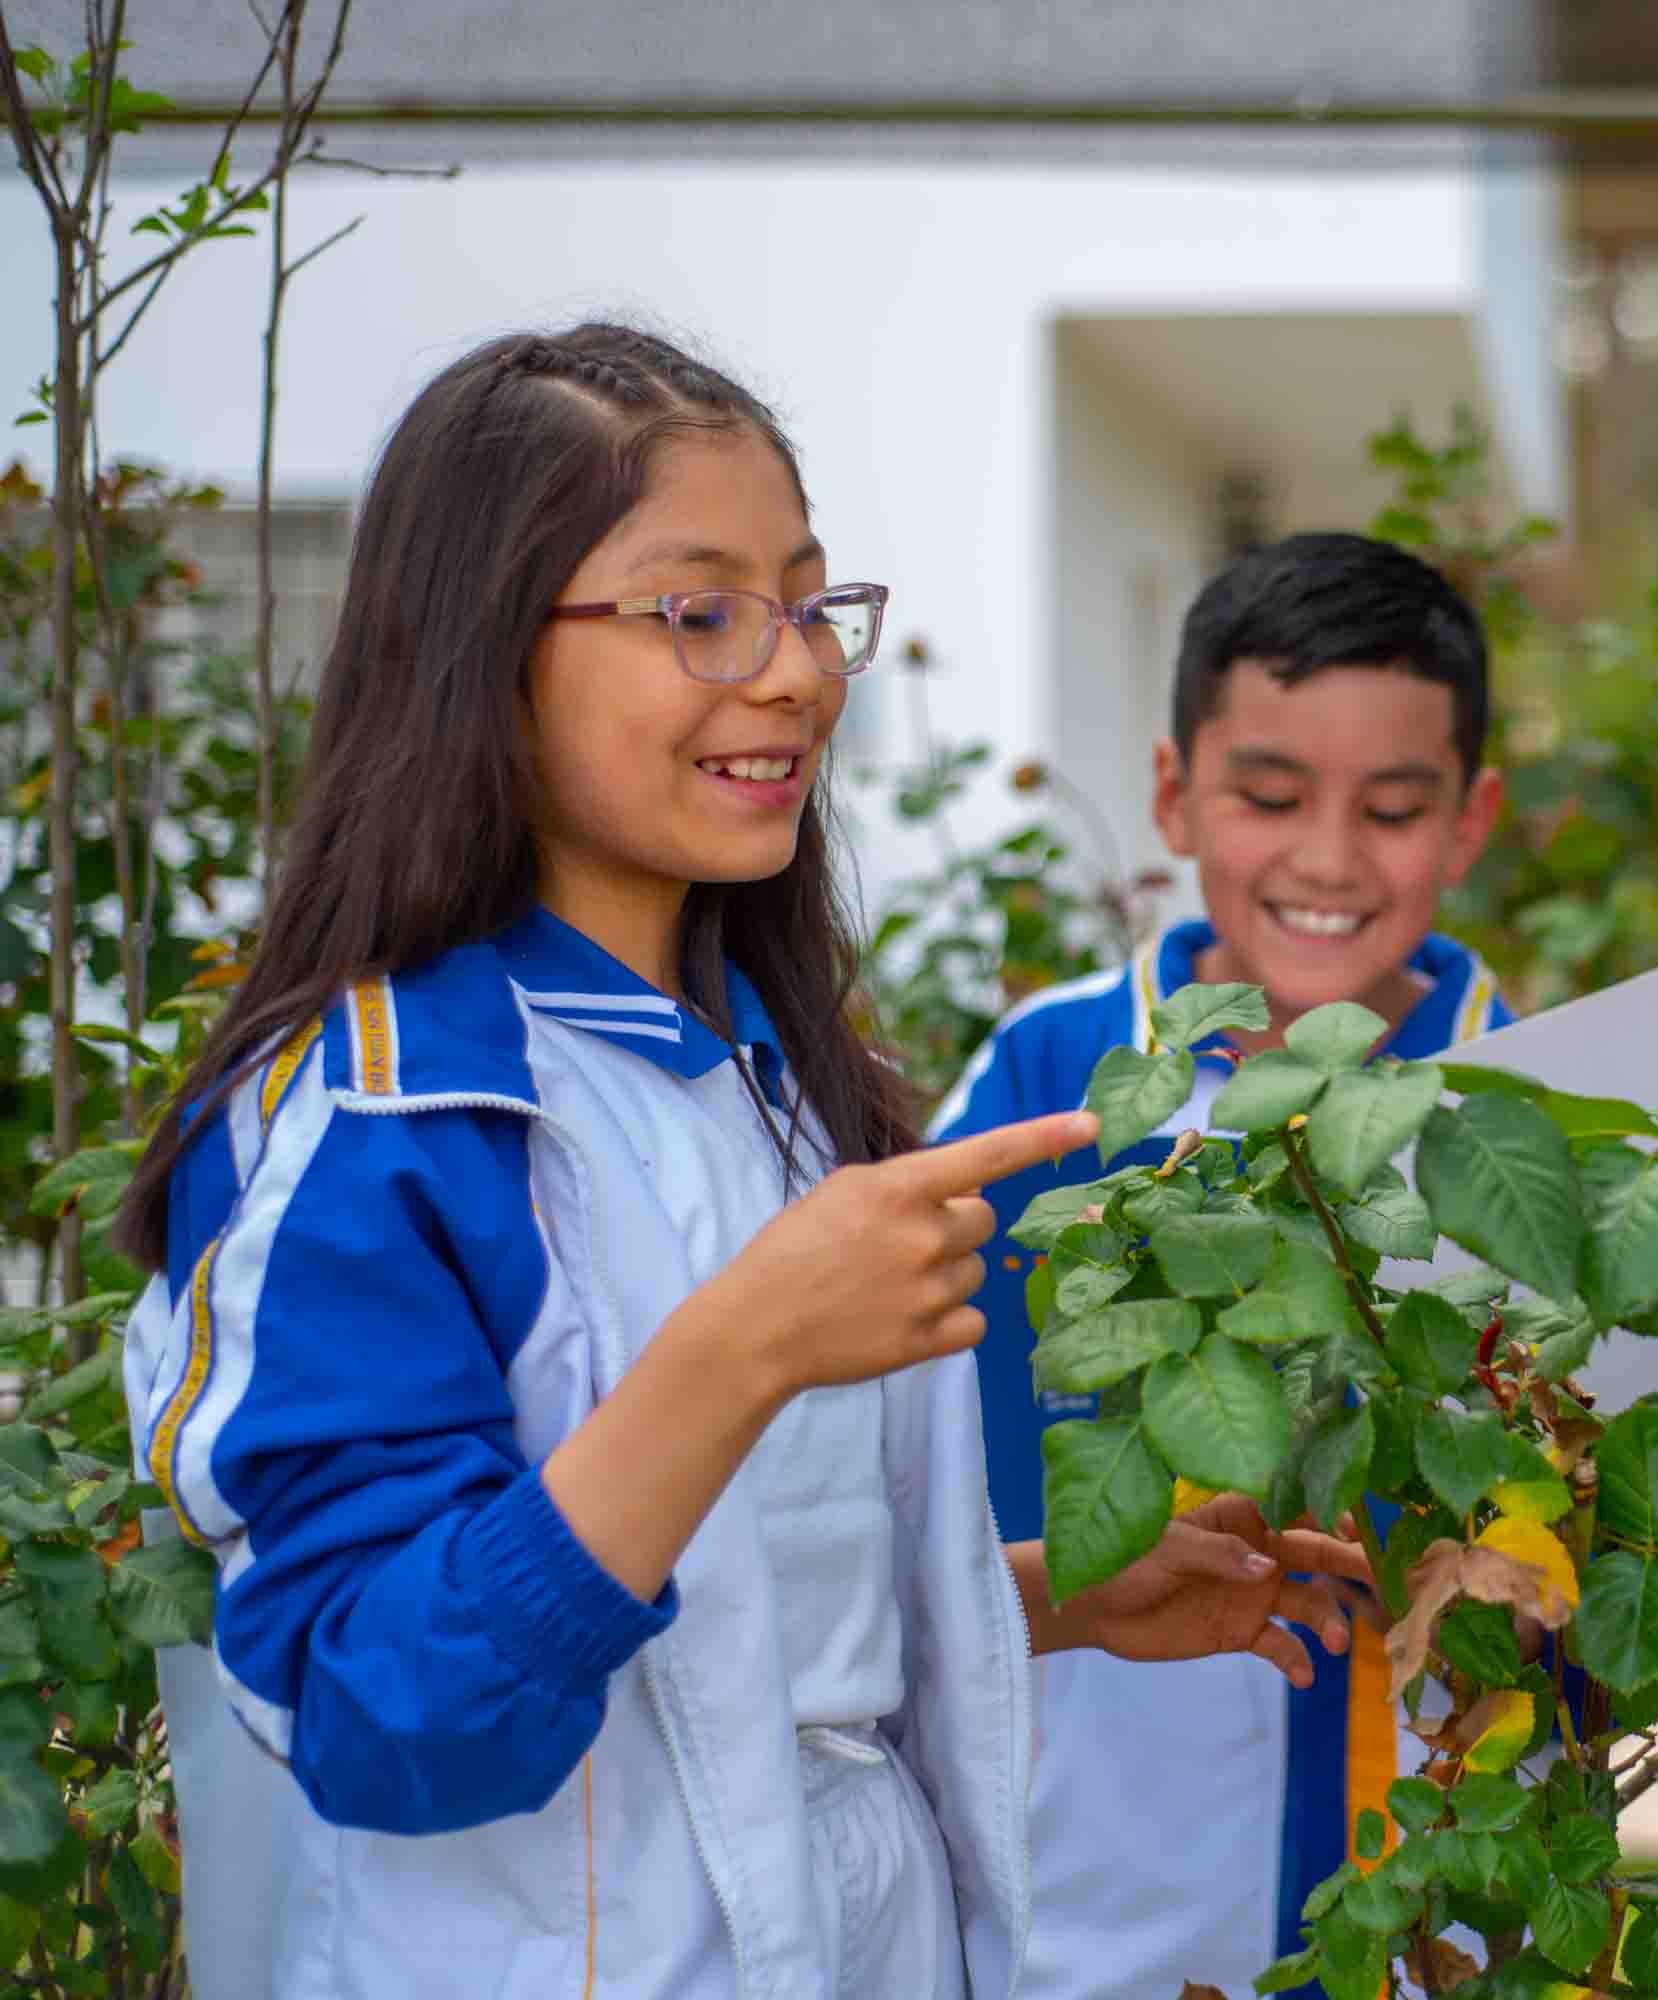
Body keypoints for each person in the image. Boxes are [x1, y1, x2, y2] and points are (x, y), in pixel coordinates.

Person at [110, 323, 1368, 2000]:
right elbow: (382, 1718)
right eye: (698, 612)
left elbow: (734, 1636)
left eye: (807, 602)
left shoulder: (769, 1074)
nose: (793, 672)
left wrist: (1045, 1594)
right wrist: (743, 1343)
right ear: (481, 653)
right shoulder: (381, 1116)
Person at [927, 530, 1508, 1994]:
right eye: (1268, 795)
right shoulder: (1044, 1083)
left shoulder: (1532, 1115)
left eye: (1390, 808)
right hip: (1088, 1890)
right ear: (1175, 793)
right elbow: (889, 1446)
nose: (1324, 859)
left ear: (1470, 821)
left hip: (1448, 1895)